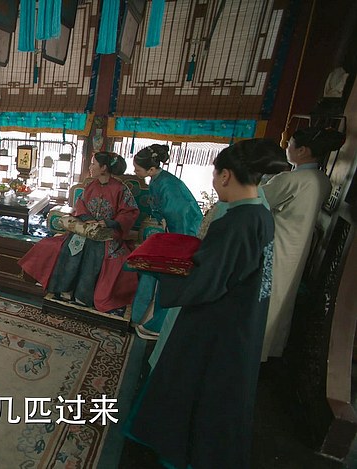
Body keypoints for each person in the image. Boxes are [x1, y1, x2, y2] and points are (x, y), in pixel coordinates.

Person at [124, 139, 281, 469]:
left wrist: (162, 269)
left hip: (218, 323)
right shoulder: (260, 215)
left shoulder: (236, 223)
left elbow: (206, 281)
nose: (213, 182)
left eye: (214, 175)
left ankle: (184, 451)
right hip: (243, 317)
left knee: (197, 387)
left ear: (225, 175)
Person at [260, 127, 345, 361]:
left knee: (265, 297)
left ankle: (254, 350)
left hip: (279, 245)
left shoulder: (292, 179)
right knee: (281, 299)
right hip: (297, 246)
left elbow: (258, 199)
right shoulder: (322, 179)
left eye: (289, 144)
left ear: (303, 151)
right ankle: (270, 349)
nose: (286, 147)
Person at [18, 152, 139, 314]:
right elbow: (80, 205)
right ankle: (64, 288)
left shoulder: (121, 189)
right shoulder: (91, 185)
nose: (90, 167)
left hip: (108, 233)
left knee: (94, 251)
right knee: (71, 246)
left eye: (93, 164)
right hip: (87, 228)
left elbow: (130, 212)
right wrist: (87, 219)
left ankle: (83, 295)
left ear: (103, 168)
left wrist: (108, 223)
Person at [130, 144, 202, 339]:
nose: (135, 172)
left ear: (151, 169)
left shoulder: (169, 185)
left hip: (183, 233)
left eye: (137, 169)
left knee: (170, 277)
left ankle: (159, 325)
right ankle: (145, 317)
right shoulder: (156, 180)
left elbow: (181, 214)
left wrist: (171, 233)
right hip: (171, 231)